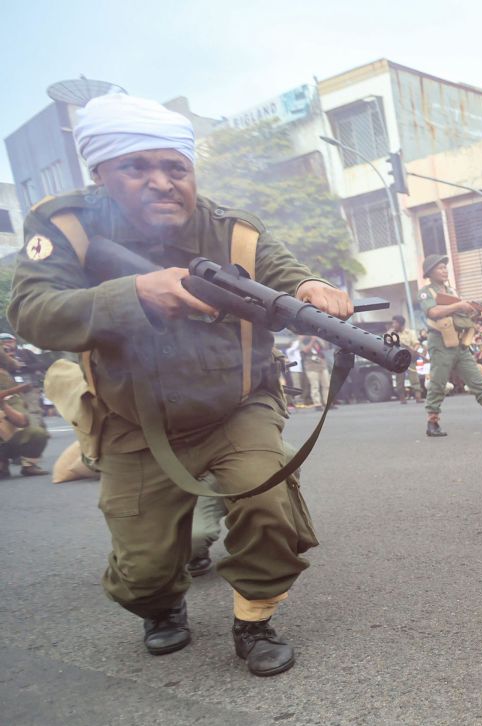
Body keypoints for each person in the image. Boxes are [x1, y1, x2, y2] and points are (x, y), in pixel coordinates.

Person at [6, 94, 352, 676]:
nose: (162, 183)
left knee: (268, 504)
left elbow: (284, 272)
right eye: (136, 167)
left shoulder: (232, 231)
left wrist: (311, 288)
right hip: (132, 419)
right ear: (100, 173)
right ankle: (161, 606)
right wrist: (133, 295)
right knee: (142, 572)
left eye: (175, 168)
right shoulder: (66, 226)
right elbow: (32, 312)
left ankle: (254, 618)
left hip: (235, 405)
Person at [418, 254, 482, 436]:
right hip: (440, 342)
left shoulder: (452, 292)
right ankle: (432, 422)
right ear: (430, 273)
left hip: (459, 342)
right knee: (438, 382)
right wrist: (459, 306)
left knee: (477, 379)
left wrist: (479, 315)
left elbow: (464, 317)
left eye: (445, 267)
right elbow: (433, 312)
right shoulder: (426, 292)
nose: (444, 270)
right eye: (440, 268)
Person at [0, 340, 49, 478]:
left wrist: (4, 404)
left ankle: (29, 463)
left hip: (9, 402)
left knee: (37, 433)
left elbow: (22, 422)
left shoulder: (6, 376)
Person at [385, 314, 421, 403]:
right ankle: (402, 398)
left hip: (409, 358)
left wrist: (414, 351)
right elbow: (385, 342)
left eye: (395, 323)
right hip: (398, 360)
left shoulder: (410, 333)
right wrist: (389, 334)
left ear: (401, 324)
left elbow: (416, 344)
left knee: (414, 377)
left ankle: (418, 397)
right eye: (393, 323)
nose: (393, 325)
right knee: (399, 379)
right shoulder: (391, 334)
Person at [298, 335, 331, 409]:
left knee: (326, 385)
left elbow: (325, 347)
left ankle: (327, 402)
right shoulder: (303, 342)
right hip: (311, 367)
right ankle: (317, 404)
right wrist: (312, 340)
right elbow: (305, 350)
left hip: (322, 365)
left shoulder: (318, 340)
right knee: (315, 386)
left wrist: (318, 339)